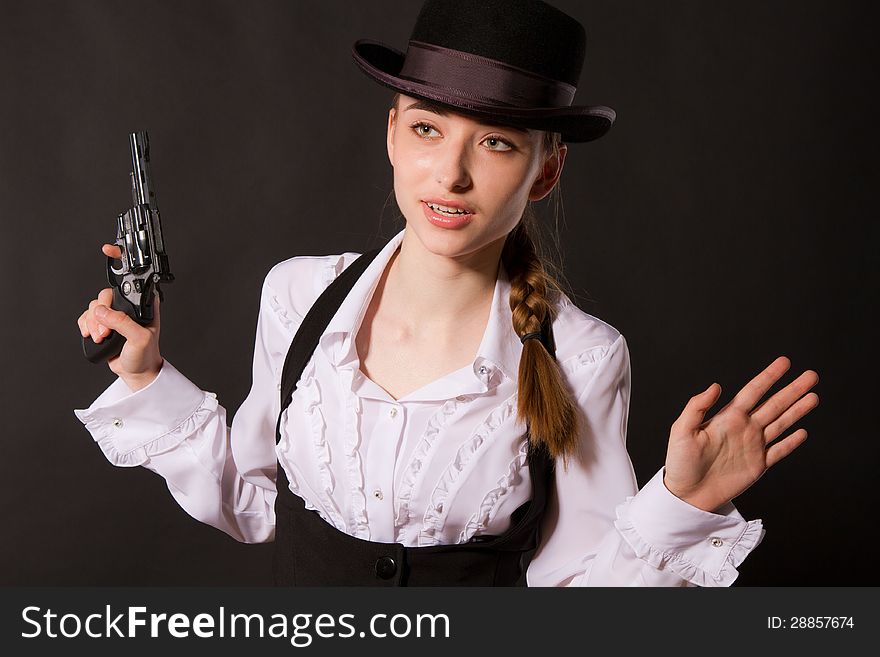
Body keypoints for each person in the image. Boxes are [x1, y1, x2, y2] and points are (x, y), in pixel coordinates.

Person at [74, 0, 819, 586]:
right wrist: (143, 376)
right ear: (394, 133)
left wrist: (681, 505)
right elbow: (254, 504)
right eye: (429, 130)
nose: (451, 175)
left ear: (546, 172)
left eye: (495, 143)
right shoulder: (299, 294)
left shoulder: (584, 355)